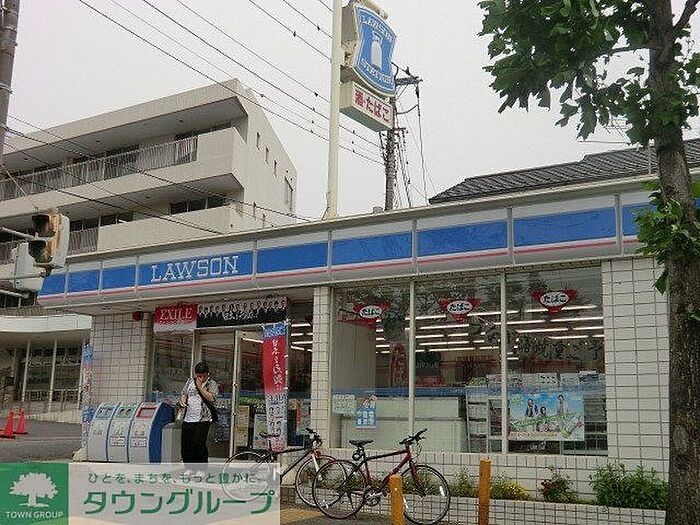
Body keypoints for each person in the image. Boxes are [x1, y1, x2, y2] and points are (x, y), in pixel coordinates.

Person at [178, 361, 219, 468]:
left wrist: (200, 387)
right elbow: (183, 394)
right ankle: (189, 468)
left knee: (198, 444)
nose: (201, 378)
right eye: (198, 375)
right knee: (186, 444)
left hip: (203, 418)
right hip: (188, 418)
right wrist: (183, 401)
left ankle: (201, 468)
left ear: (207, 374)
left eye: (203, 375)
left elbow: (212, 398)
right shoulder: (190, 382)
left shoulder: (212, 383)